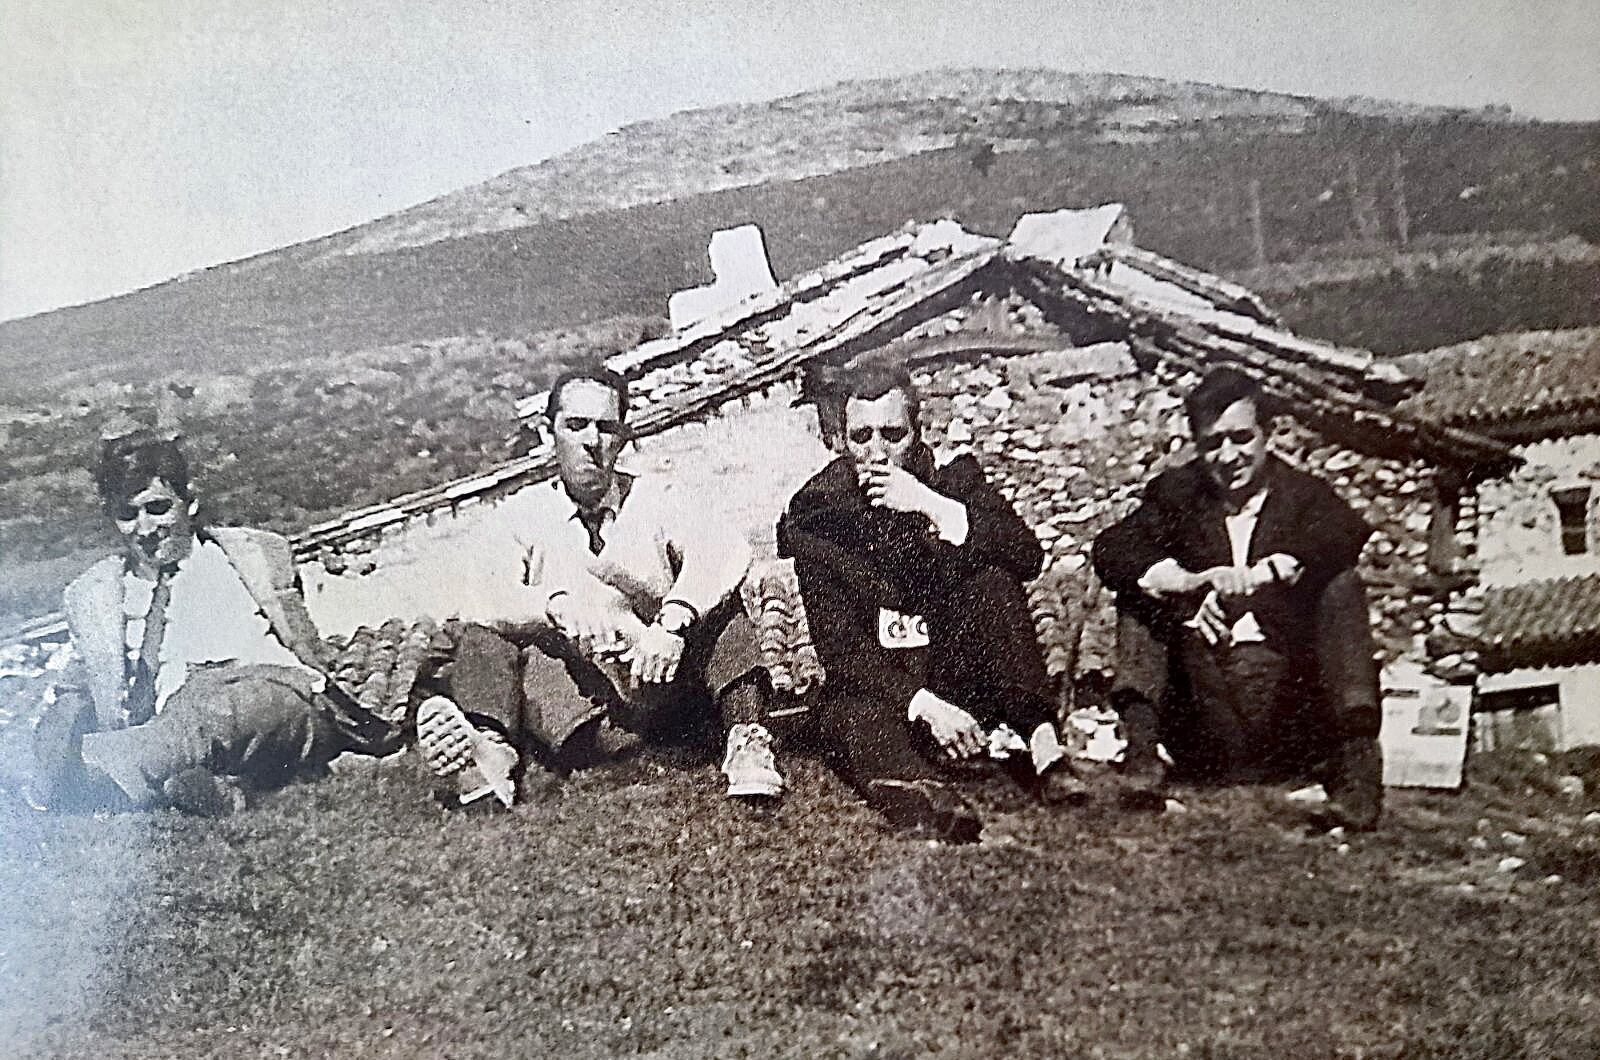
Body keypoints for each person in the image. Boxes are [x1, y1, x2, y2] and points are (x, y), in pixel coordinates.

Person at [423, 366, 779, 808]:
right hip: (582, 706)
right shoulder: (522, 514)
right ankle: (490, 752)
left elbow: (724, 549)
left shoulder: (656, 497)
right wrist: (553, 607)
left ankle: (748, 739)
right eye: (576, 425)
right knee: (482, 635)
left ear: (624, 437)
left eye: (607, 428)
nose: (592, 441)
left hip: (663, 682)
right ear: (547, 432)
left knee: (724, 610)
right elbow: (482, 593)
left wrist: (672, 622)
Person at [9, 429, 397, 815]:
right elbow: (78, 685)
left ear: (189, 502)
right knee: (178, 714)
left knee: (225, 706)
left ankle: (126, 767)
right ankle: (213, 789)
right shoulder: (92, 594)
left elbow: (304, 651)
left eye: (158, 508)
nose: (145, 529)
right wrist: (54, 740)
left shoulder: (253, 554)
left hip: (272, 697)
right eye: (128, 515)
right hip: (167, 716)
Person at [778, 361, 1083, 843]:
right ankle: (928, 801)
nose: (876, 453)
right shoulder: (819, 511)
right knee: (852, 715)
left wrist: (931, 505)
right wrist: (926, 707)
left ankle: (1046, 749)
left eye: (892, 434)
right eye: (861, 437)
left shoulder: (952, 483)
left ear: (917, 435)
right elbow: (842, 652)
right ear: (839, 440)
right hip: (885, 685)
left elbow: (1027, 555)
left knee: (992, 578)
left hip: (953, 667)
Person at [1091, 367, 1384, 828]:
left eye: (1241, 437)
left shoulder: (1303, 496)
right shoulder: (1179, 493)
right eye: (1213, 442)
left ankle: (1358, 770)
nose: (1228, 455)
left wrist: (1275, 569)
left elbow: (1346, 533)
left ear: (1267, 434)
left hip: (1285, 707)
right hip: (1206, 705)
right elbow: (1113, 548)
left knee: (1343, 585)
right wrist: (1188, 585)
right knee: (1141, 591)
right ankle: (1142, 759)